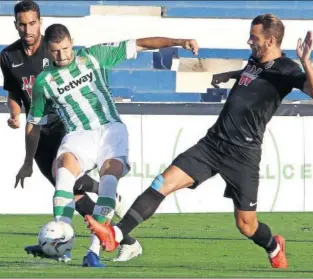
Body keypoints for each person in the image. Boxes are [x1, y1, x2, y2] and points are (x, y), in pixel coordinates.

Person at [85, 13, 313, 269]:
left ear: (270, 41)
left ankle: (274, 246)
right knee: (162, 183)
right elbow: (252, 75)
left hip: (243, 154)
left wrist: (306, 62)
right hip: (212, 144)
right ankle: (116, 235)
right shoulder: (254, 61)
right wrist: (227, 75)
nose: (248, 41)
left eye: (254, 37)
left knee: (246, 225)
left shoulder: (287, 69)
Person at [14, 22, 199, 267]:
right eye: (56, 51)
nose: (63, 55)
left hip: (111, 129)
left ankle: (93, 252)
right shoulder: (44, 81)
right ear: (48, 49)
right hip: (79, 133)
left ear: (72, 42)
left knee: (108, 182)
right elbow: (33, 123)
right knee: (63, 171)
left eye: (66, 48)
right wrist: (28, 161)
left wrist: (179, 41)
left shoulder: (93, 56)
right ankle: (61, 240)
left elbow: (140, 44)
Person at [1, 0, 141, 265]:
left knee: (69, 180)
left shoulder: (64, 50)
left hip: (69, 127)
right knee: (68, 188)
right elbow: (14, 93)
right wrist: (15, 116)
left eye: (32, 22)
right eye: (22, 23)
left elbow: (127, 48)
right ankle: (60, 243)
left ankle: (92, 244)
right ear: (16, 24)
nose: (27, 28)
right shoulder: (10, 56)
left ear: (40, 22)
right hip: (42, 132)